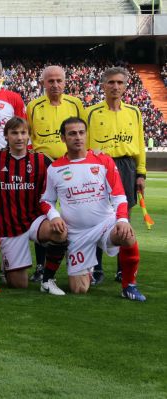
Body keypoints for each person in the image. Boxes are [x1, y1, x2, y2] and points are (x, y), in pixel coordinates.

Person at [39, 117, 145, 301]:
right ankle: (86, 270)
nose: (78, 137)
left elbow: (119, 195)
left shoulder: (103, 160)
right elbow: (46, 200)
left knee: (128, 236)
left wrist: (121, 219)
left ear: (86, 135)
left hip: (105, 225)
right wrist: (54, 216)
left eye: (81, 132)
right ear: (63, 138)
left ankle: (129, 286)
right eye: (72, 134)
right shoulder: (54, 168)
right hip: (77, 234)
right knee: (78, 290)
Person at [0, 117, 66, 293]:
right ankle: (8, 267)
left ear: (29, 135)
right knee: (19, 284)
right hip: (9, 226)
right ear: (6, 135)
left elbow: (65, 170)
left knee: (59, 231)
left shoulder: (42, 160)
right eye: (14, 133)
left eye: (23, 133)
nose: (19, 137)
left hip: (35, 220)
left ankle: (48, 279)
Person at [85, 67, 147, 285]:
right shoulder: (91, 112)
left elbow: (139, 145)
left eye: (120, 83)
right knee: (96, 216)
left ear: (125, 86)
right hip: (99, 168)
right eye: (111, 82)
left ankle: (123, 269)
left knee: (124, 218)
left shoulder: (135, 112)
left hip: (127, 166)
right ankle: (96, 268)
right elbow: (85, 145)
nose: (115, 86)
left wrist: (141, 173)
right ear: (103, 85)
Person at [25, 65, 83, 281]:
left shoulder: (75, 104)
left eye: (59, 80)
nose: (55, 85)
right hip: (44, 166)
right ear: (43, 83)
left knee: (76, 211)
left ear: (65, 82)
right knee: (42, 213)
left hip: (71, 164)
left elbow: (84, 133)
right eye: (50, 81)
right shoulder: (33, 106)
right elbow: (29, 137)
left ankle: (80, 263)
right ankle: (41, 266)